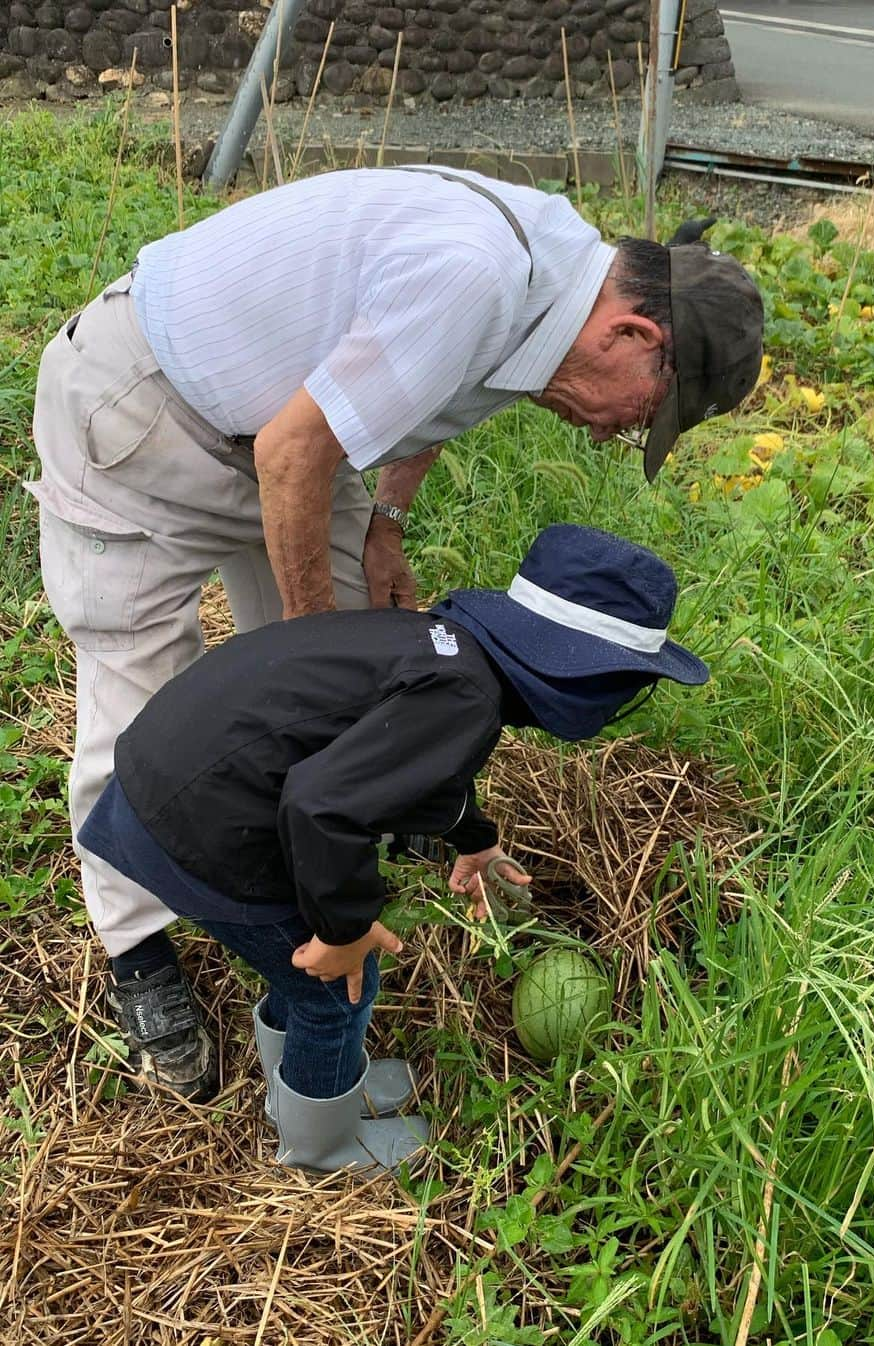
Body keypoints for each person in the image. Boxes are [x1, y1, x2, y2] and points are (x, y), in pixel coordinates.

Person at [30, 164, 762, 1098]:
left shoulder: (553, 297)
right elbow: (291, 453)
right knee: (144, 693)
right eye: (640, 419)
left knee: (340, 690)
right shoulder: (479, 272)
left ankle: (300, 863)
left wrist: (384, 524)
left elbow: (428, 393)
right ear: (633, 334)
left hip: (294, 431)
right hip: (150, 412)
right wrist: (312, 654)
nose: (609, 435)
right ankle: (139, 952)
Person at [75, 525, 708, 1173]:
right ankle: (319, 1147)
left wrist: (477, 844)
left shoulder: (442, 651)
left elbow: (397, 772)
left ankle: (309, 1079)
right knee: (336, 988)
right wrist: (343, 927)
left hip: (164, 786)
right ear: (586, 682)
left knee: (306, 967)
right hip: (196, 826)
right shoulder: (466, 700)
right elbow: (322, 806)